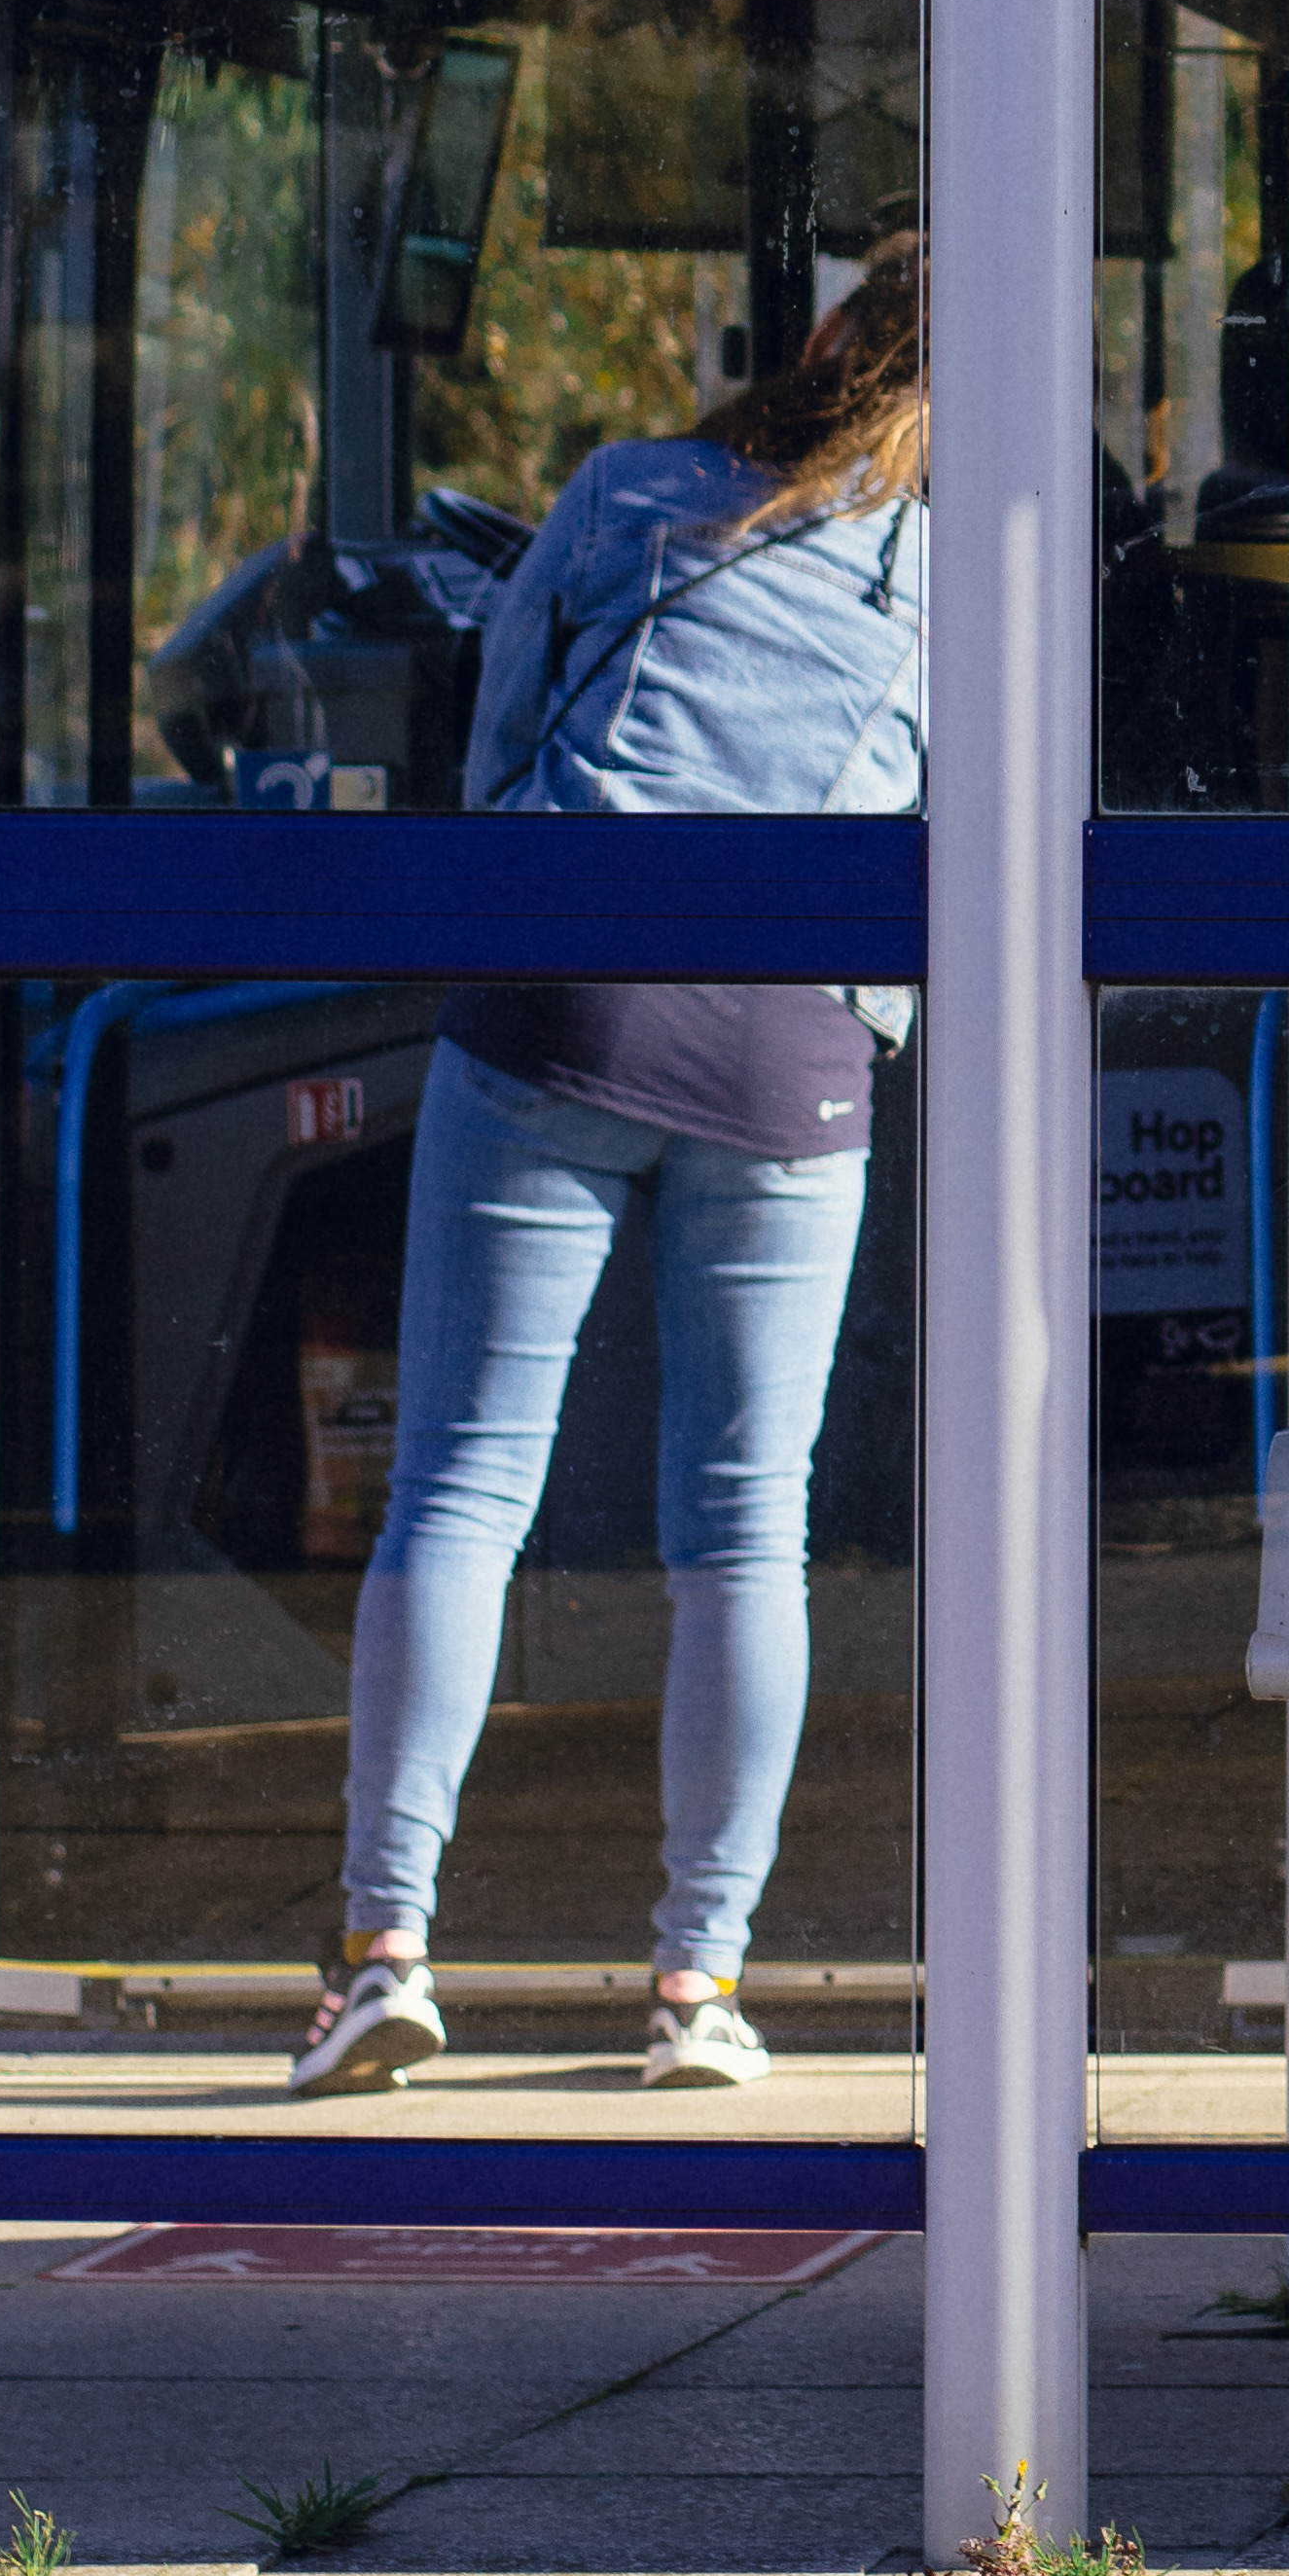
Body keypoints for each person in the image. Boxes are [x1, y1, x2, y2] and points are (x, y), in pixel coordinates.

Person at [295, 240, 938, 2099]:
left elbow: (501, 747)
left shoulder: (636, 493)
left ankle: (384, 1953)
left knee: (462, 1492)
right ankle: (696, 1990)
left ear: (814, 344)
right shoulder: (966, 570)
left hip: (563, 1001)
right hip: (792, 1042)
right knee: (744, 1527)